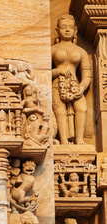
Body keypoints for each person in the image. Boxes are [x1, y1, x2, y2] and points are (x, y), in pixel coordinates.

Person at [52, 14, 91, 145]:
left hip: (75, 84)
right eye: (63, 27)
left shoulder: (81, 51)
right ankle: (63, 140)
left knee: (82, 108)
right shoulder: (52, 50)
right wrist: (58, 71)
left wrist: (82, 86)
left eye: (70, 27)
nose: (67, 30)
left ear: (75, 30)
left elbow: (87, 74)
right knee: (60, 111)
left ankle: (79, 139)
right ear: (57, 31)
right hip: (57, 84)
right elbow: (42, 72)